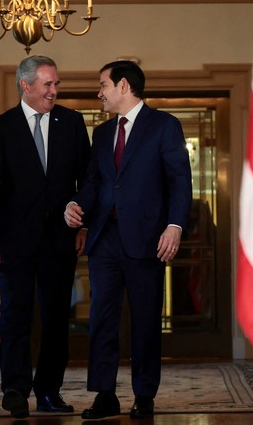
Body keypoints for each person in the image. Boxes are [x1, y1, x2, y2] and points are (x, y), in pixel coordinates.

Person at [64, 60, 192, 419]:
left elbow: (179, 181)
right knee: (101, 318)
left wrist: (175, 226)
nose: (99, 92)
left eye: (102, 84)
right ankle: (105, 395)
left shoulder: (165, 126)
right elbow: (94, 182)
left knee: (146, 318)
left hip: (149, 238)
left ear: (123, 85)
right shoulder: (102, 134)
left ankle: (144, 394)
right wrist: (76, 204)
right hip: (105, 238)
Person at [0, 55, 91, 419]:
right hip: (13, 242)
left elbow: (86, 180)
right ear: (25, 85)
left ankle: (49, 392)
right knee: (15, 314)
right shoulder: (0, 128)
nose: (54, 91)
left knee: (57, 317)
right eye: (47, 84)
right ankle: (14, 389)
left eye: (56, 84)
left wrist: (83, 221)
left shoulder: (72, 123)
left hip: (61, 240)